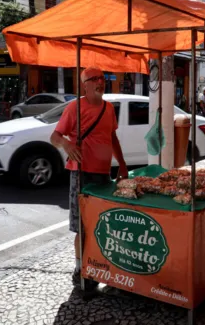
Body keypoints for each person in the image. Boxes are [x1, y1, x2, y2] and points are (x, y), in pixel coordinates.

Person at [50, 66, 128, 288]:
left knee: (102, 224)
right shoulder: (75, 107)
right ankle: (79, 267)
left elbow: (112, 137)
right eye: (94, 79)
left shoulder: (109, 108)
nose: (99, 82)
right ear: (84, 84)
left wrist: (122, 165)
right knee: (82, 225)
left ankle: (99, 263)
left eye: (102, 78)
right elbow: (54, 136)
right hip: (81, 174)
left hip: (104, 174)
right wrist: (66, 143)